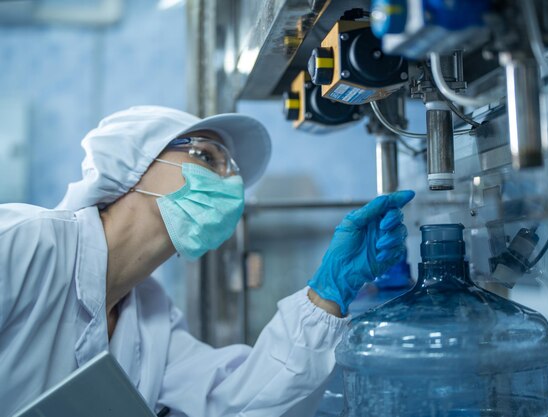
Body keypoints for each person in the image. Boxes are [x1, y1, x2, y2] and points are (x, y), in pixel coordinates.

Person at [0, 105, 414, 417]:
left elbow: (240, 401)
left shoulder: (152, 318)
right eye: (206, 157)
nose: (231, 182)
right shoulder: (24, 243)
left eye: (233, 170)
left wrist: (329, 291)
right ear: (132, 164)